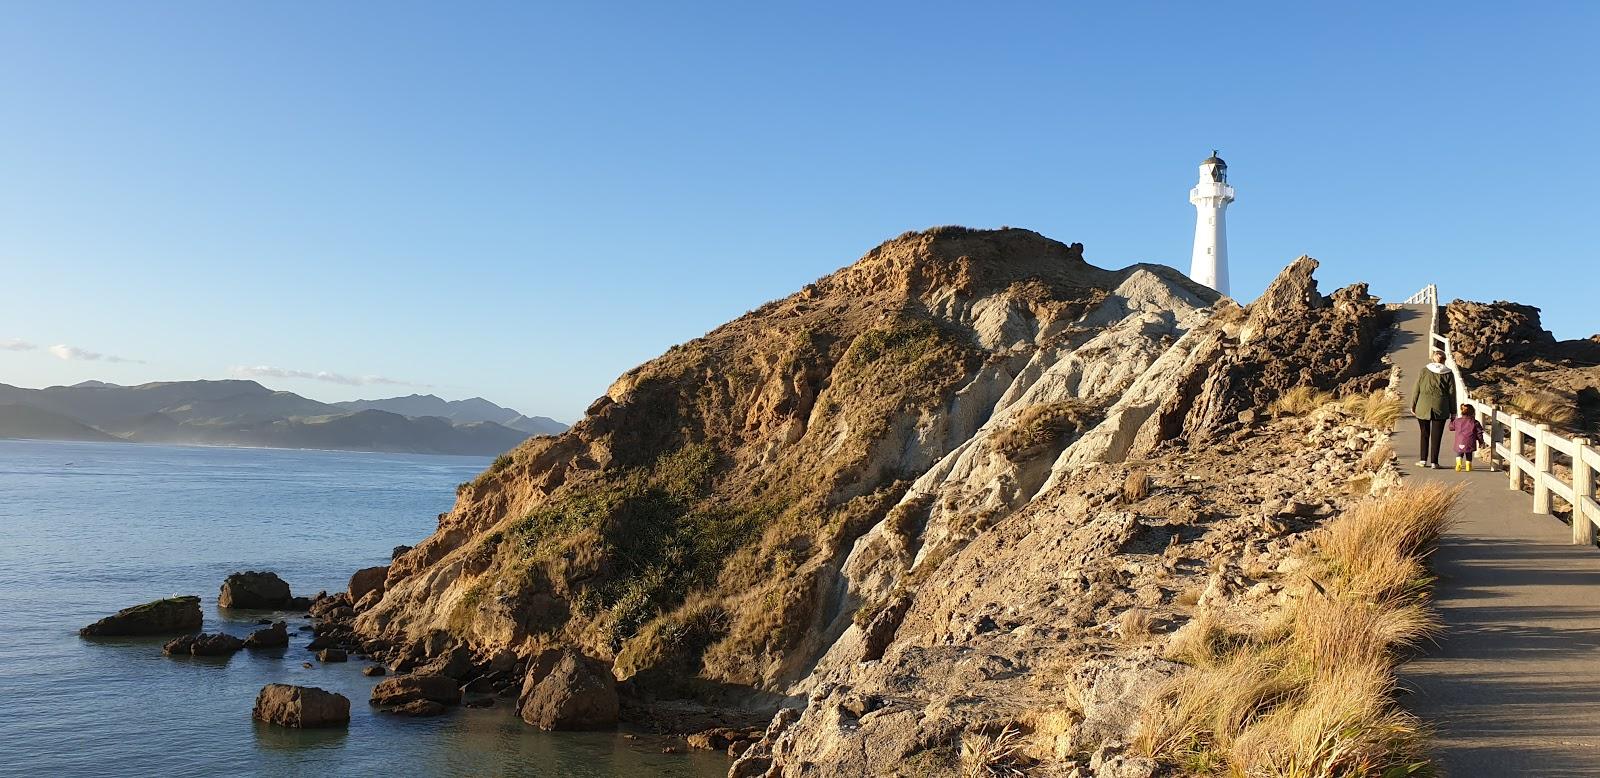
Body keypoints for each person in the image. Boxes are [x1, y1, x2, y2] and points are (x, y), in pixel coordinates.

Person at [1411, 350, 1455, 468]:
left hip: (1422, 405)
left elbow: (1417, 389)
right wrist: (1453, 411)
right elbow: (1452, 394)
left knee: (1424, 433)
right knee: (1437, 435)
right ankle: (1434, 462)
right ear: (1444, 360)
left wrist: (1413, 405)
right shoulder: (1448, 373)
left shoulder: (1424, 370)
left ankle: (1422, 460)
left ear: (1433, 359)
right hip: (1441, 407)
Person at [1448, 404, 1486, 472]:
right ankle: (1468, 465)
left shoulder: (1457, 421)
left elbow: (1451, 428)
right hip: (1470, 441)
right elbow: (1479, 433)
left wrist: (1452, 420)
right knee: (1469, 453)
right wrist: (1481, 442)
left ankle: (1458, 463)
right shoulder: (1475, 422)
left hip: (1459, 441)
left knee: (1459, 453)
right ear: (1473, 413)